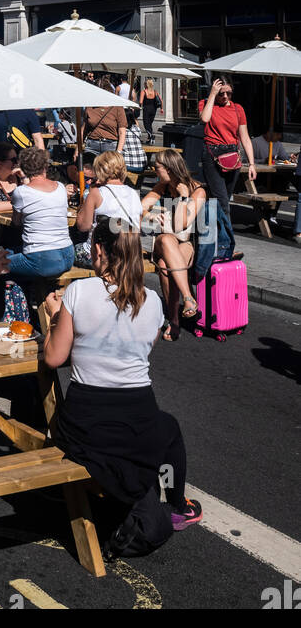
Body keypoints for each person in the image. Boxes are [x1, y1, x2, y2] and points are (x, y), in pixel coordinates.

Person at [44, 218, 202, 537]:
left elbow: (54, 358)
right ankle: (176, 503)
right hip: (137, 420)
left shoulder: (78, 292)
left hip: (84, 424)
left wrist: (53, 318)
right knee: (169, 429)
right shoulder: (153, 301)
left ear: (99, 250)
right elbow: (141, 352)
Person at [140, 149, 208, 337]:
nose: (154, 170)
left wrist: (183, 197)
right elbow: (140, 209)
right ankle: (188, 298)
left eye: (157, 167)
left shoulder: (197, 191)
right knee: (167, 239)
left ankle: (174, 321)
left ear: (169, 169)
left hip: (187, 243)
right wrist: (152, 217)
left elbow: (181, 225)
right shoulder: (162, 186)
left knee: (164, 266)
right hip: (163, 241)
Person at [7, 147, 74, 281]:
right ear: (45, 166)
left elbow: (16, 222)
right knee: (6, 251)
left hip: (42, 259)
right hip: (67, 255)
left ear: (23, 168)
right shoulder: (61, 187)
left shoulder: (21, 192)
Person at [198, 78, 256, 218]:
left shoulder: (238, 109)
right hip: (213, 155)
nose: (225, 97)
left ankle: (211, 232)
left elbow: (245, 138)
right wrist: (212, 94)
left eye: (228, 93)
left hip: (233, 157)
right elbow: (204, 119)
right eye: (221, 93)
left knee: (220, 199)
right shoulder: (205, 103)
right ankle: (227, 239)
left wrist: (251, 164)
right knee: (223, 202)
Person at [75, 150, 143, 267]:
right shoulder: (134, 193)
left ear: (99, 170)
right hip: (129, 253)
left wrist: (86, 200)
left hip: (102, 255)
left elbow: (83, 226)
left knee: (71, 249)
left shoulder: (97, 193)